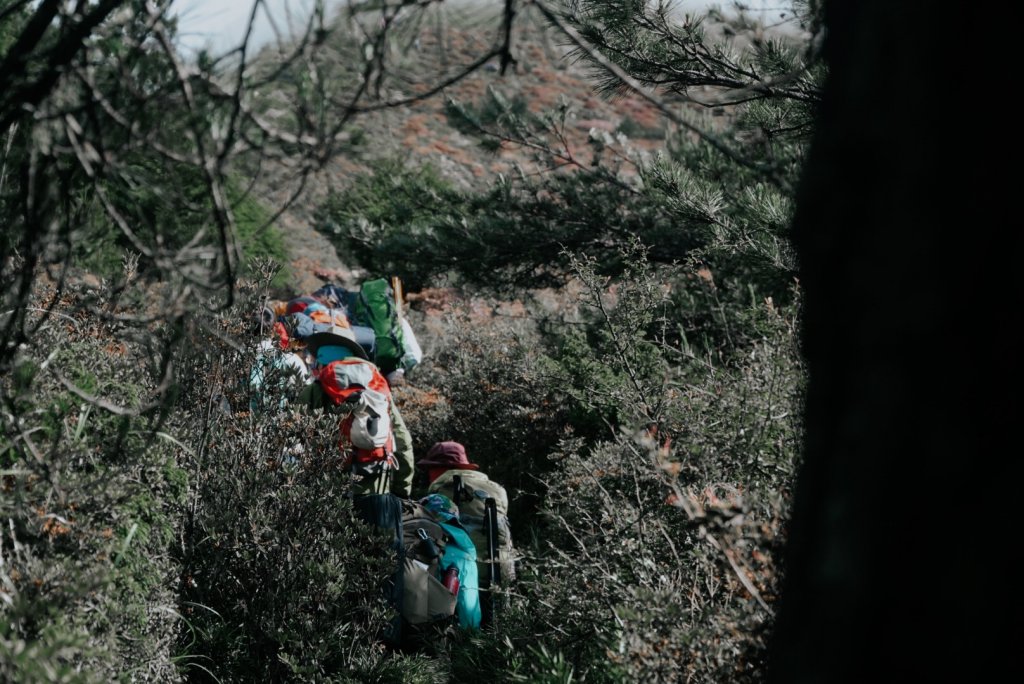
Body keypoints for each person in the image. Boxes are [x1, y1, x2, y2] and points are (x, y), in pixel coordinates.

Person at [417, 441, 516, 626]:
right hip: (501, 569)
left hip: (465, 573)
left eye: (430, 468)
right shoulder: (497, 490)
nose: (429, 475)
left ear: (443, 467)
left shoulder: (442, 488)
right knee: (499, 626)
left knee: (464, 625)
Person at [419, 493, 482, 631]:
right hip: (441, 635)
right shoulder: (464, 556)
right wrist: (471, 637)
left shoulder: (411, 542)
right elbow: (468, 607)